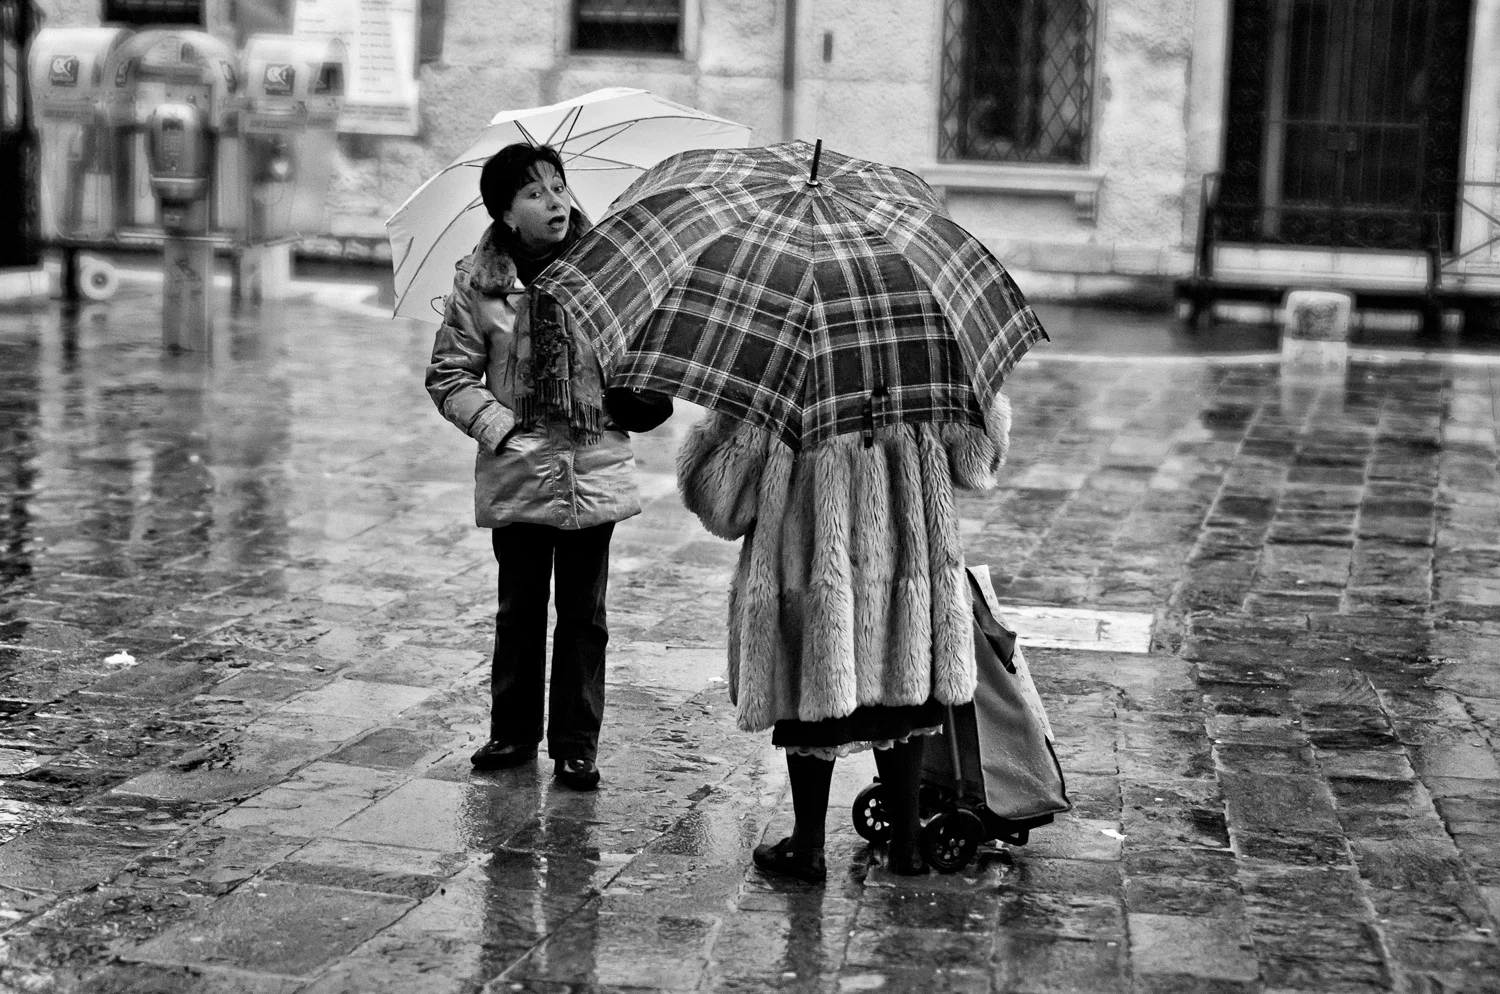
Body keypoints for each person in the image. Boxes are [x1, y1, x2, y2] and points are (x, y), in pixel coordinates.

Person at [675, 397, 1012, 879]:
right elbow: (978, 460)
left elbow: (721, 500)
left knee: (813, 689)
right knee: (903, 687)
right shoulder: (917, 355)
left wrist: (715, 430)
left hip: (813, 570)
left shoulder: (783, 366)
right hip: (903, 568)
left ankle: (808, 846)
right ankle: (908, 845)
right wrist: (985, 396)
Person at [426, 143, 670, 792]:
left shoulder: (607, 273)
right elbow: (450, 376)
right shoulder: (481, 286)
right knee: (521, 610)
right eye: (534, 194)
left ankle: (576, 745)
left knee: (585, 617)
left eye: (558, 187)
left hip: (595, 468)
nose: (555, 201)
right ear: (504, 214)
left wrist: (634, 392)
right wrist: (499, 427)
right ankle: (512, 733)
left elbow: (645, 359)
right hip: (519, 471)